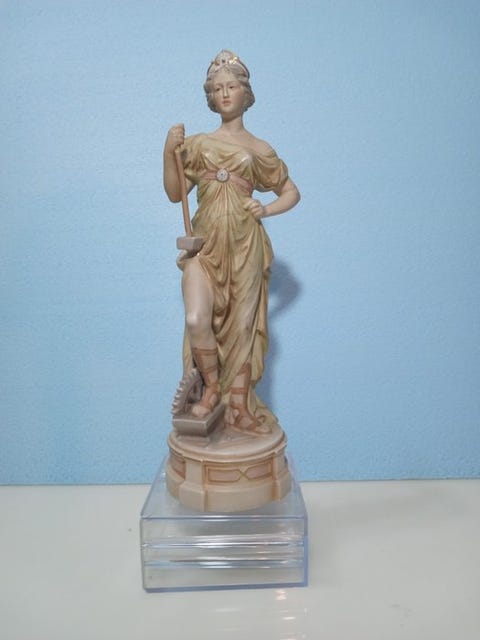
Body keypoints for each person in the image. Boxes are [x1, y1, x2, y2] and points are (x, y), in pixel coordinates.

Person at [163, 50, 300, 435]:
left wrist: (266, 209)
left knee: (241, 328)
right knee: (196, 318)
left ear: (245, 93)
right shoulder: (197, 144)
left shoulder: (260, 148)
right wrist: (167, 151)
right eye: (217, 88)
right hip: (204, 247)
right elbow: (175, 193)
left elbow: (291, 192)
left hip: (245, 247)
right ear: (211, 96)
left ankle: (237, 406)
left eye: (231, 86)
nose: (224, 93)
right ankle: (210, 389)